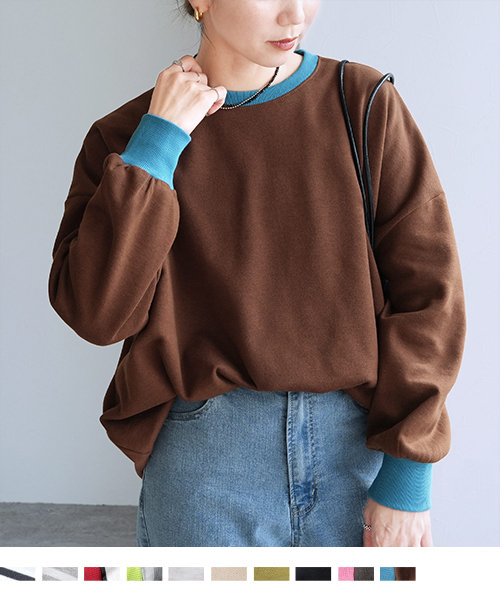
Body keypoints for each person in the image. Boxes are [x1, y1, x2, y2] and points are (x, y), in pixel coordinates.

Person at [48, 0, 467, 547]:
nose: (296, 14)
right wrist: (159, 144)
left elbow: (430, 294)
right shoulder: (125, 138)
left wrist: (408, 473)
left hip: (356, 454)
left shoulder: (361, 103)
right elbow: (97, 314)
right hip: (207, 470)